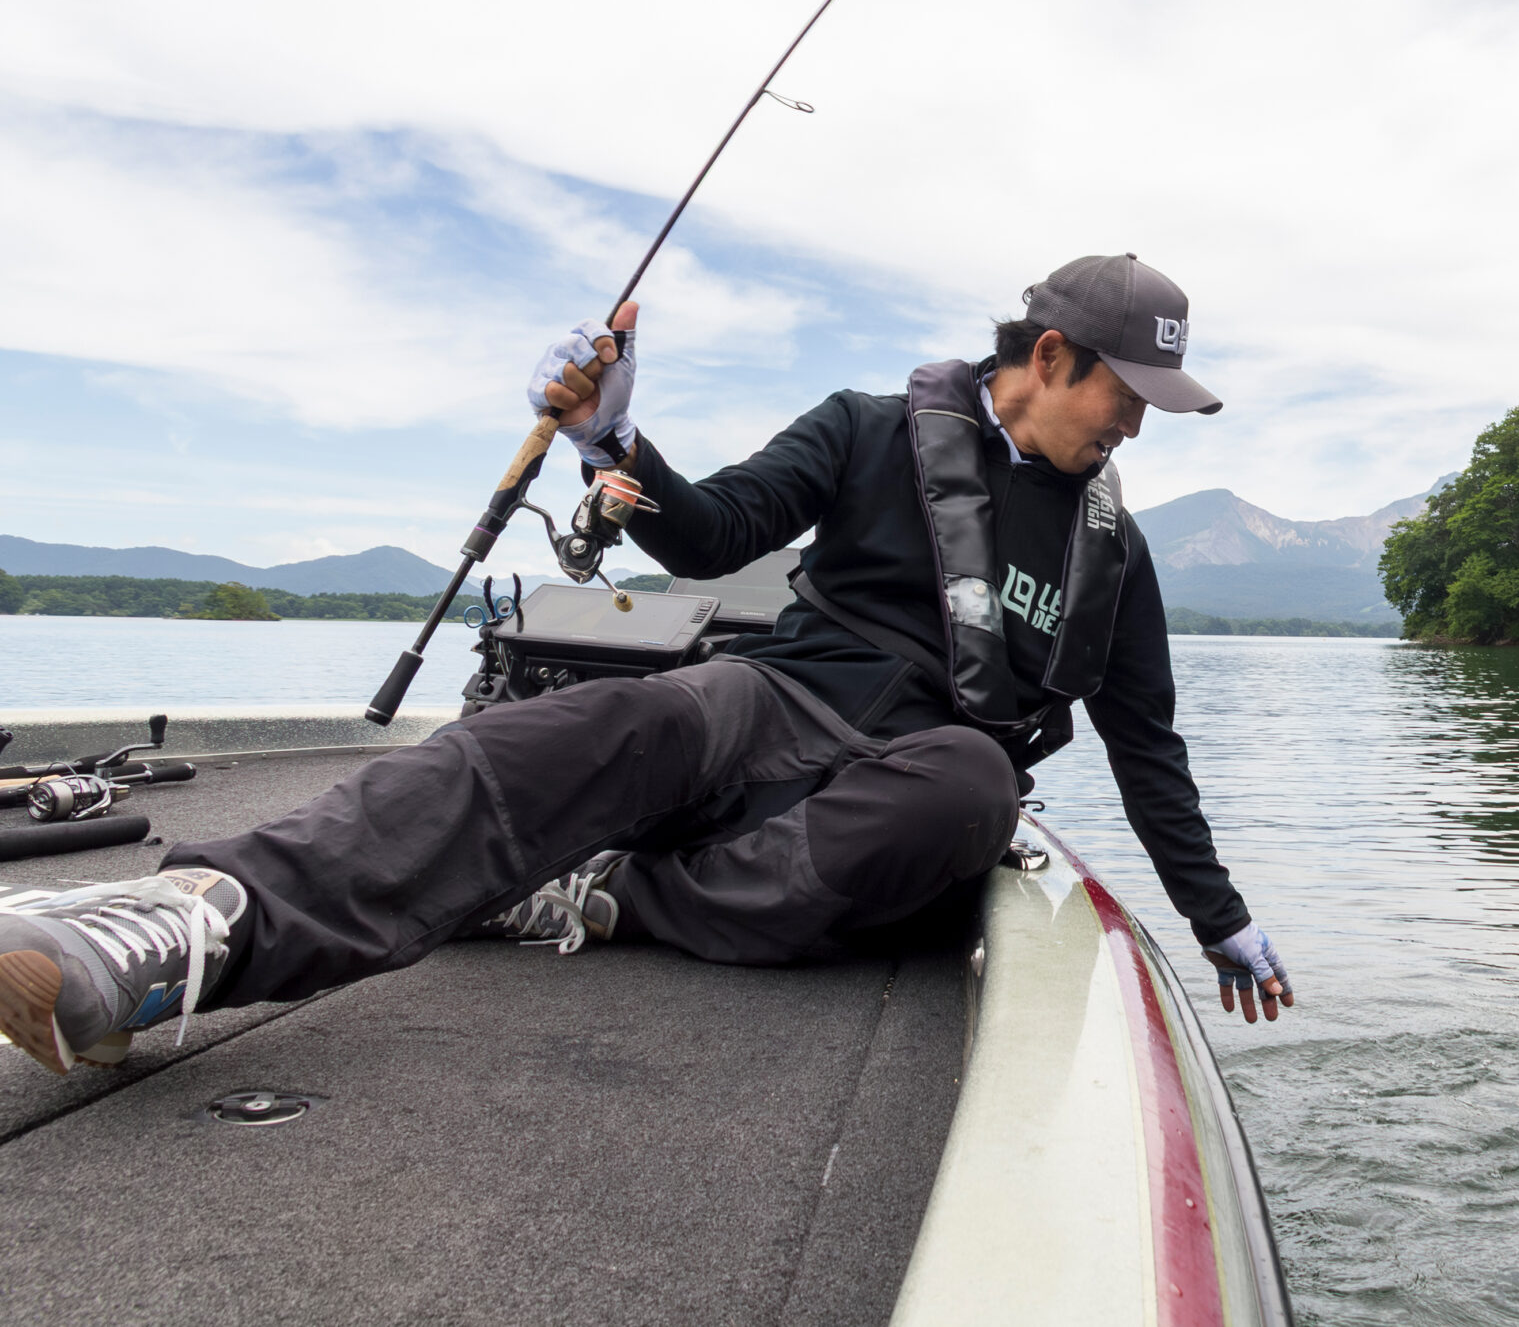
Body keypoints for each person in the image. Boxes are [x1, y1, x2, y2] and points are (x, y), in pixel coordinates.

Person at [0, 254, 1292, 1075]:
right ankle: (195, 927)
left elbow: (1147, 744)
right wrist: (612, 438)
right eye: (1127, 395)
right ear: (1050, 358)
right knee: (580, 730)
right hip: (771, 700)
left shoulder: (1115, 552)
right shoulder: (865, 427)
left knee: (970, 793)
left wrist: (1218, 918)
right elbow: (717, 533)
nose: (1136, 426)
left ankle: (607, 893)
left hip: (910, 775)